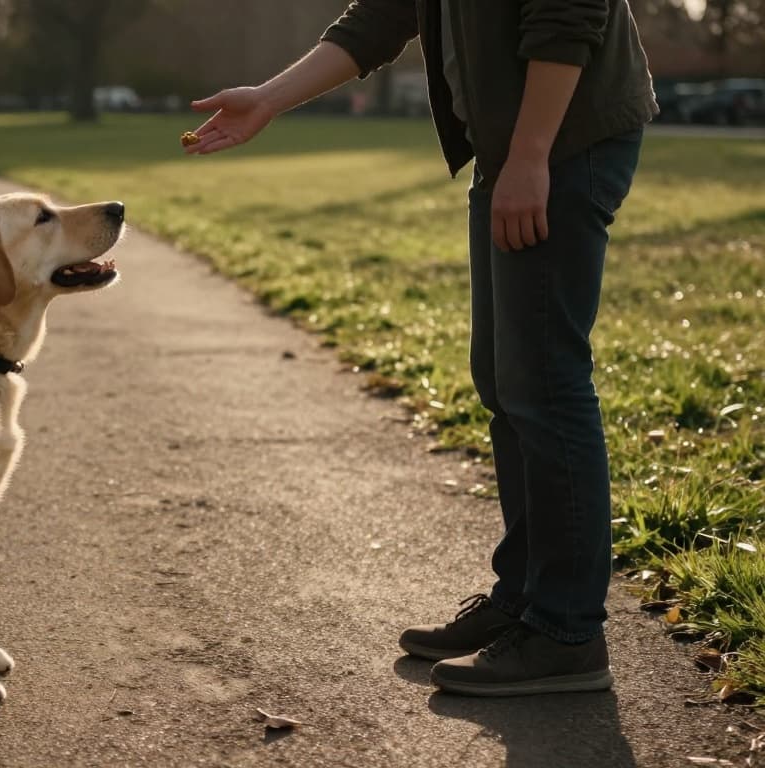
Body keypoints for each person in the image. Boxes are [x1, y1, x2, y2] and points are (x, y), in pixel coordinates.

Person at [187, 0, 656, 696]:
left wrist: (529, 159)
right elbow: (379, 18)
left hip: (562, 143)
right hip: (512, 151)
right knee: (505, 381)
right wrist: (268, 100)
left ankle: (566, 630)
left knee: (545, 382)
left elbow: (567, 14)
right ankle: (526, 599)